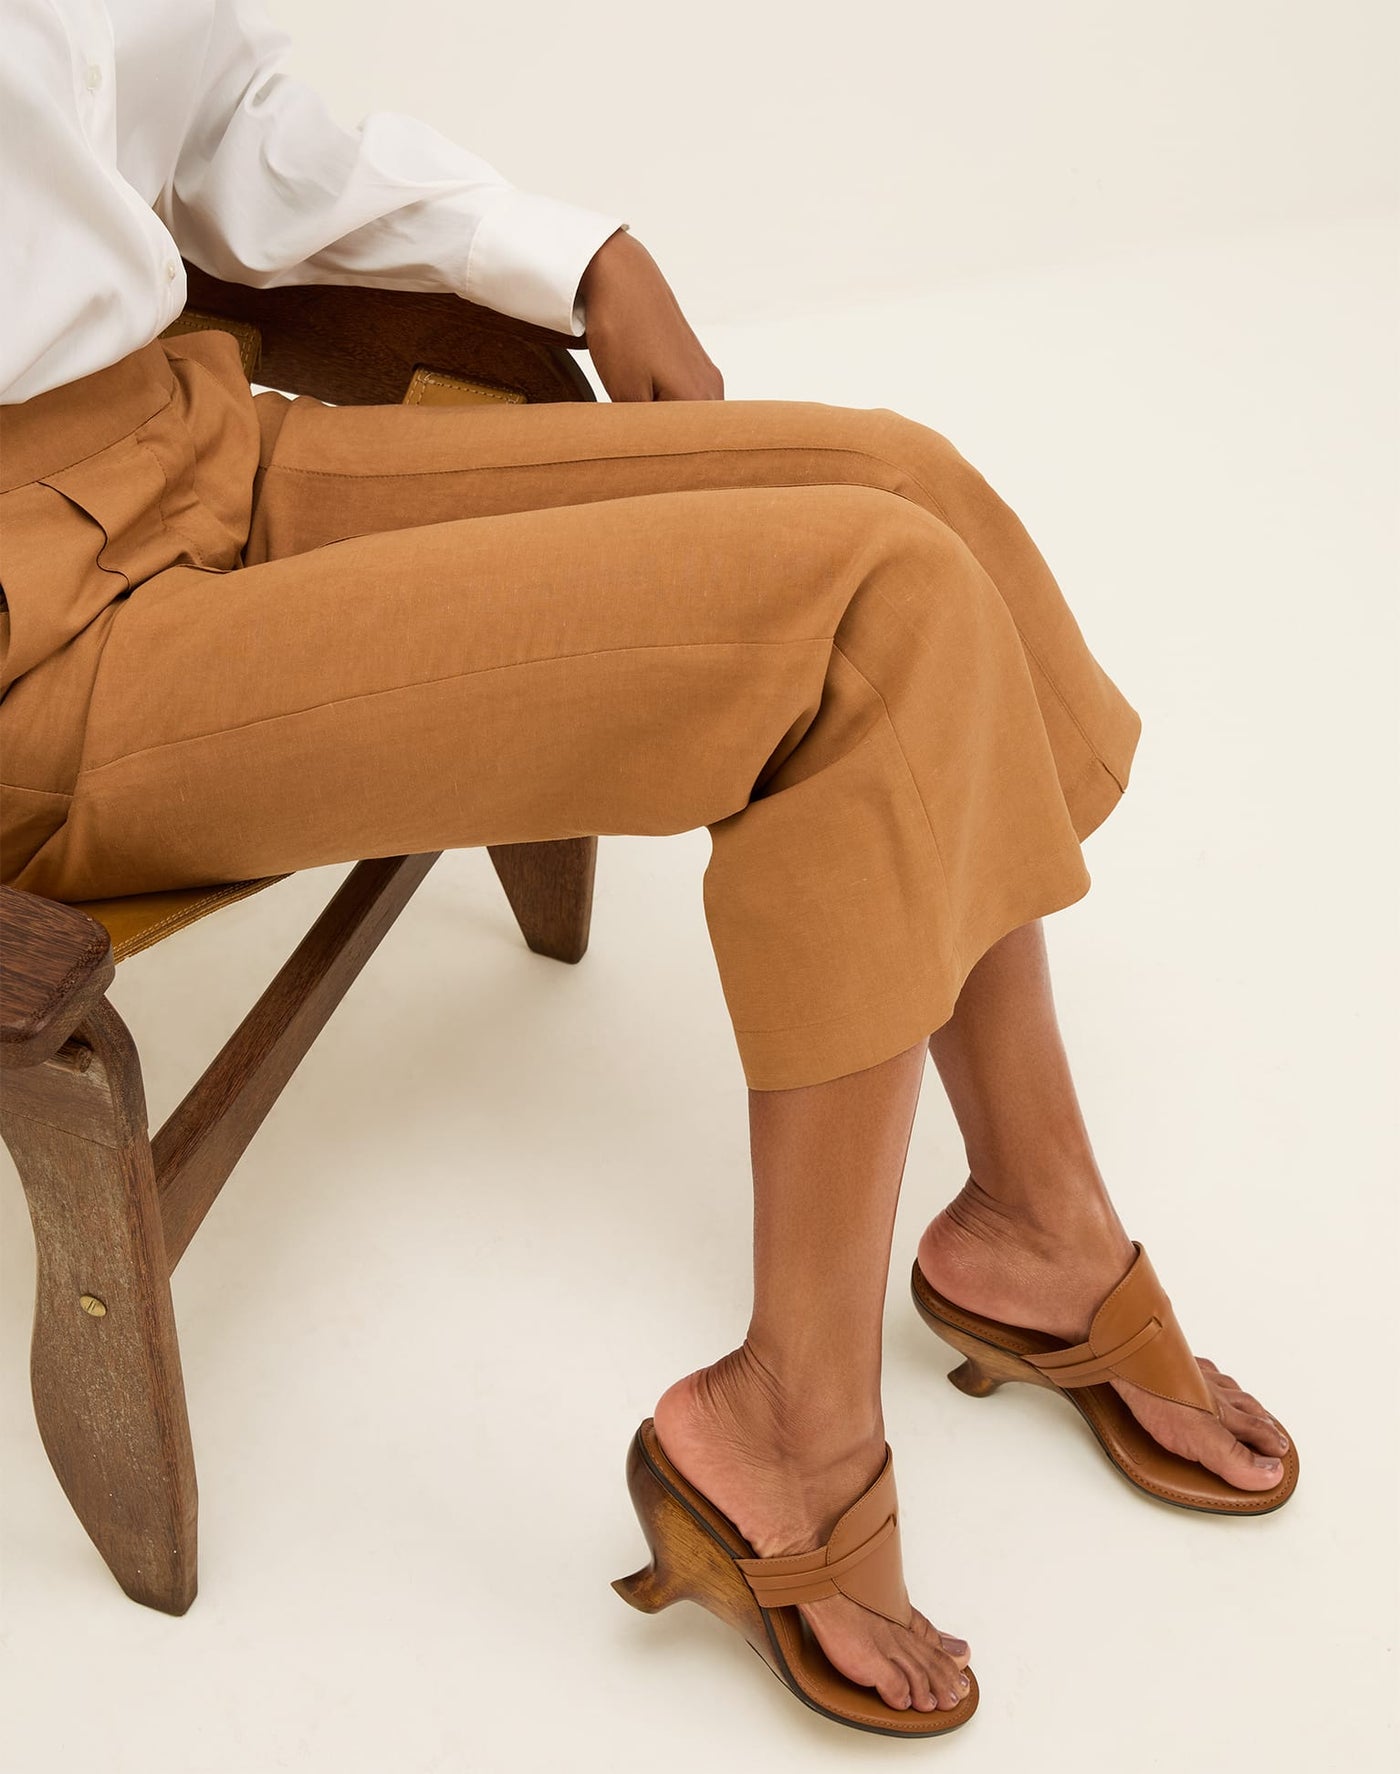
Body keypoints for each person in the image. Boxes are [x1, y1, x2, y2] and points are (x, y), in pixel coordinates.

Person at [0, 0, 1295, 1741]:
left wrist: (573, 253)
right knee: (862, 615)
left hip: (190, 439)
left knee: (910, 490)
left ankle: (1037, 1226)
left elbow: (212, 119)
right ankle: (786, 1429)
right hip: (40, 653)